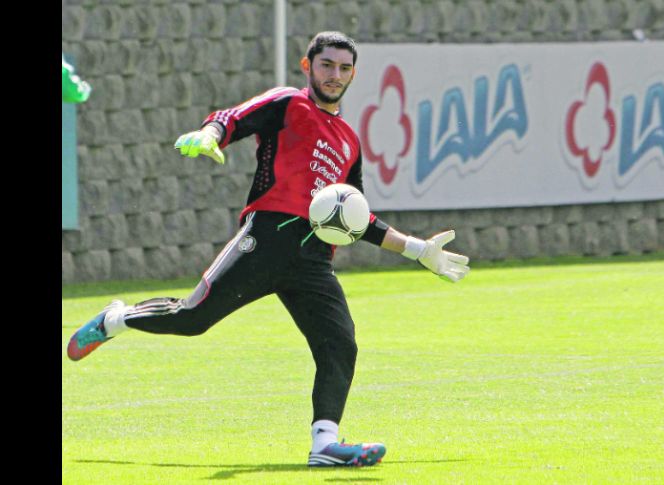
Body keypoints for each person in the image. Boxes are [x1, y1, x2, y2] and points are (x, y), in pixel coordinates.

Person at [67, 31, 470, 467]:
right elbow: (233, 117)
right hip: (267, 238)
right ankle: (116, 318)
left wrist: (418, 250)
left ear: (354, 73)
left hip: (314, 260)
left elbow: (357, 219)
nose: (335, 74)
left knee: (340, 344)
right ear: (307, 66)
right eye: (326, 65)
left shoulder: (350, 142)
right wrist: (210, 135)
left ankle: (325, 445)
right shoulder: (288, 103)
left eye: (344, 67)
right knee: (193, 318)